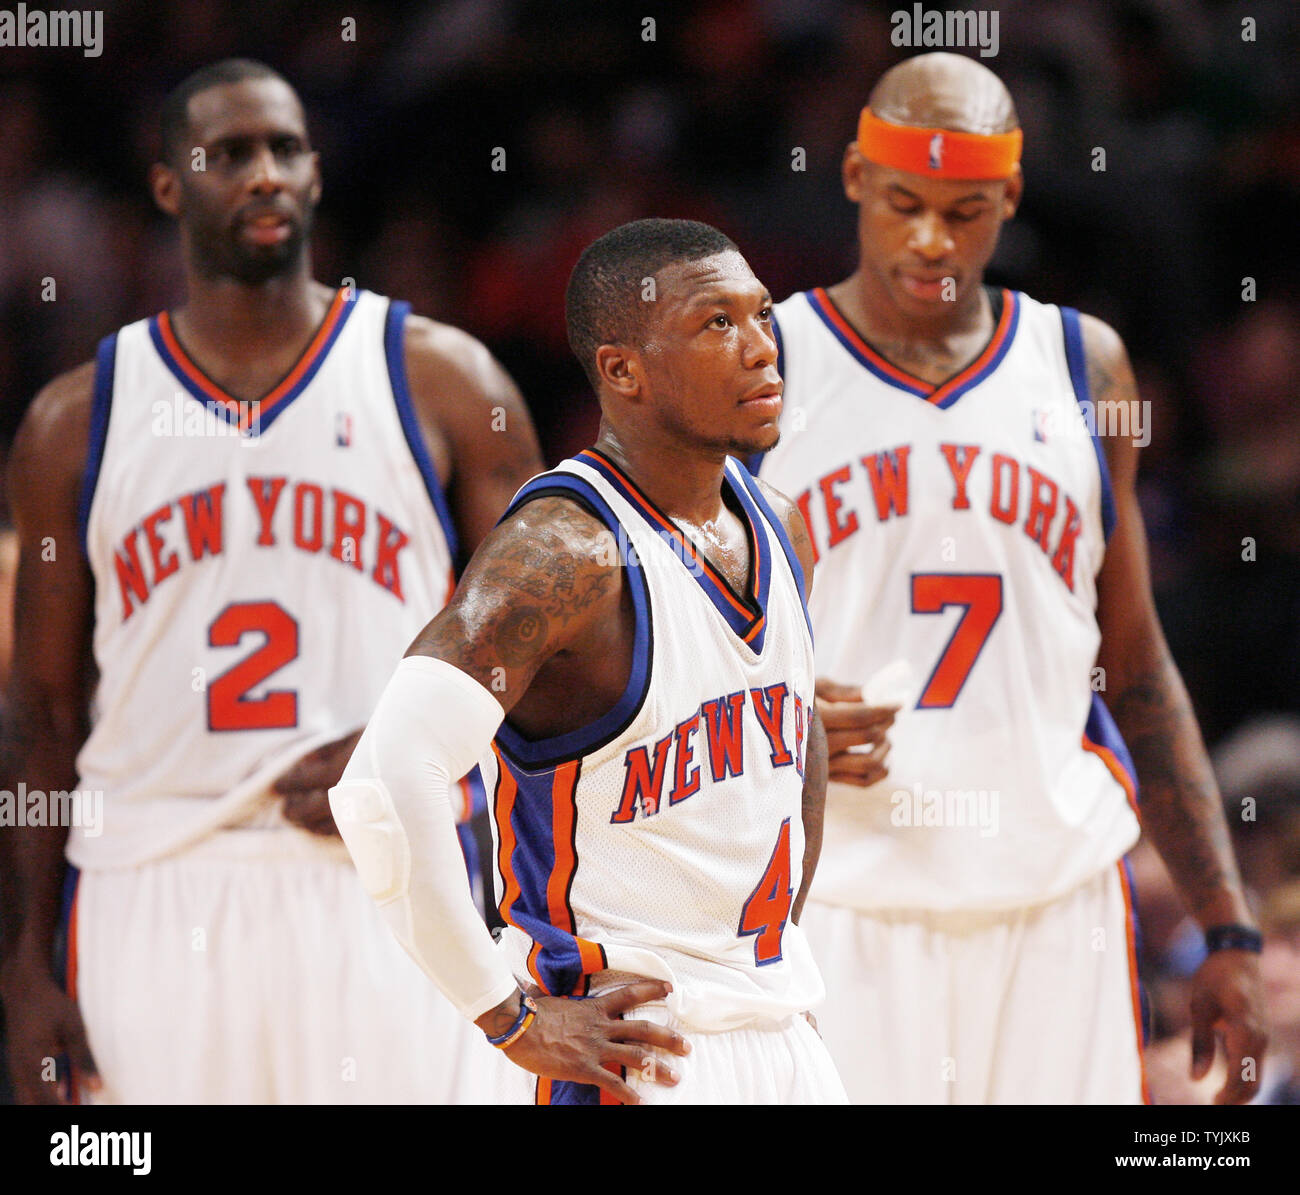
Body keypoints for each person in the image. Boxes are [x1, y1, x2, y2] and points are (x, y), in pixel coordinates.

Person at [0, 58, 544, 1104]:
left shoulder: (442, 378)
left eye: (285, 149)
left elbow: (550, 638)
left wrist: (412, 742)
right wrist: (23, 962)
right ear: (168, 187)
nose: (263, 176)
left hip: (385, 874)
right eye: (229, 153)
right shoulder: (77, 421)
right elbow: (39, 705)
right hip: (152, 882)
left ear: (317, 172)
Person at [750, 53, 1267, 1104]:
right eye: (903, 203)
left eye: (965, 209)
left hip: (1055, 907)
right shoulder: (763, 366)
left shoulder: (1084, 366)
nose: (932, 240)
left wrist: (1227, 924)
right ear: (851, 175)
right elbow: (659, 655)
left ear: (1011, 198)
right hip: (845, 905)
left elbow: (1134, 656)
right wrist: (774, 717)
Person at [328, 218, 847, 1104]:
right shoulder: (565, 553)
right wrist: (510, 1016)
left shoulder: (781, 525)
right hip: (628, 1052)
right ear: (622, 370)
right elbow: (382, 783)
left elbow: (797, 755)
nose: (762, 348)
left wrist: (766, 972)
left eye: (761, 316)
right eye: (716, 324)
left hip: (780, 1036)